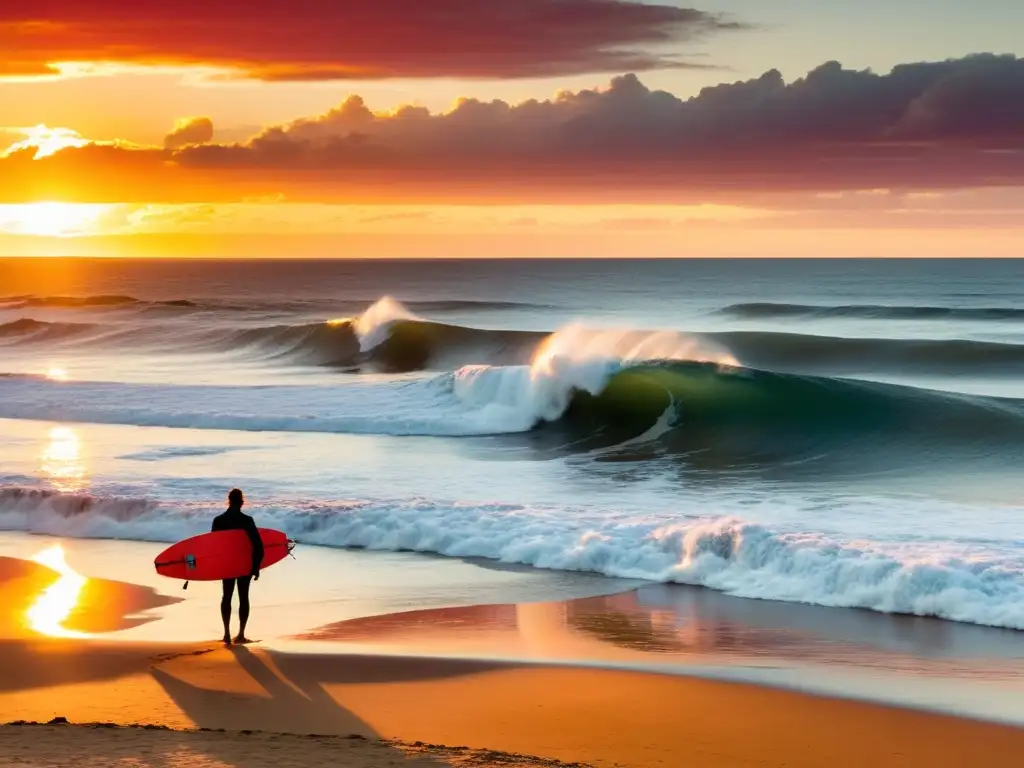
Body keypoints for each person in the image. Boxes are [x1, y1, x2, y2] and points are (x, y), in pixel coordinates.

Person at [211, 488, 263, 645]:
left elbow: (213, 547)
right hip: (243, 564)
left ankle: (226, 634)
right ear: (242, 501)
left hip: (227, 564)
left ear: (228, 500)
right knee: (243, 597)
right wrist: (256, 567)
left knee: (226, 597)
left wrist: (215, 566)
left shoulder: (218, 520)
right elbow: (258, 546)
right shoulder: (247, 520)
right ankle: (240, 634)